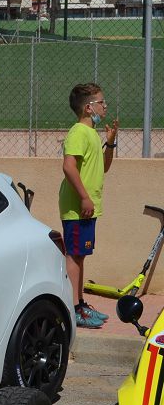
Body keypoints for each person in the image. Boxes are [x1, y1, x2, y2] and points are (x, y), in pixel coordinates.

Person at [59, 82, 118, 329]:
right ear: (88, 107)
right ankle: (72, 309)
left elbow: (103, 167)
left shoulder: (92, 134)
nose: (105, 106)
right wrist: (84, 197)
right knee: (74, 256)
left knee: (80, 256)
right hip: (77, 208)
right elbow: (68, 166)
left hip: (87, 209)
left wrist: (111, 143)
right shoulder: (78, 133)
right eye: (101, 102)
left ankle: (80, 304)